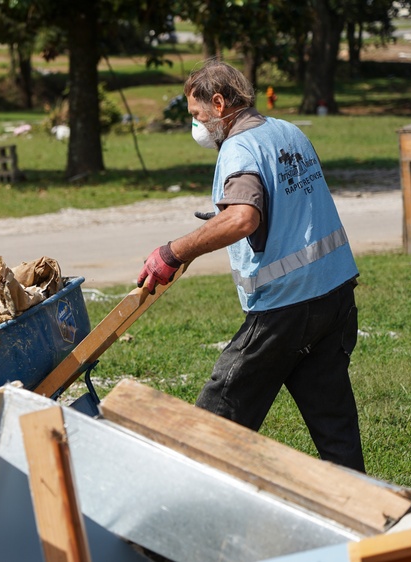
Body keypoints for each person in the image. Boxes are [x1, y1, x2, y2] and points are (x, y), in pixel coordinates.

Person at [137, 60, 365, 472]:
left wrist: (173, 252)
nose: (197, 125)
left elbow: (243, 218)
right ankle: (368, 505)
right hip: (334, 294)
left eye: (197, 115)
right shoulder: (287, 131)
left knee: (216, 418)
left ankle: (183, 495)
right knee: (336, 428)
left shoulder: (239, 148)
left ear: (219, 103)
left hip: (286, 307)